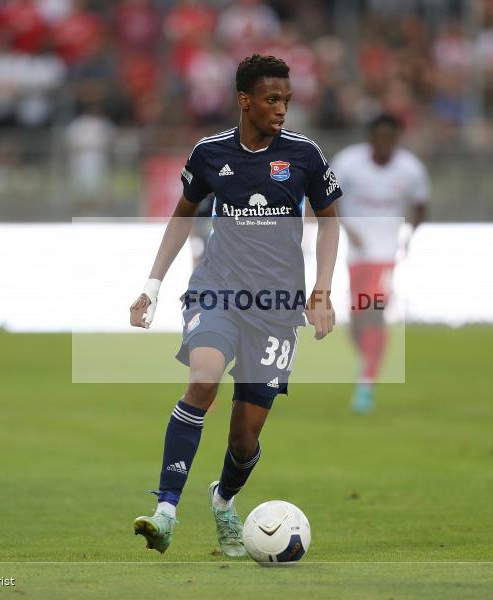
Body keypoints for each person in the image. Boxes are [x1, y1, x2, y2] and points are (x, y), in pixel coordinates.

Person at [128, 54, 341, 557]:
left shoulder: (305, 155)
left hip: (277, 307)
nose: (282, 109)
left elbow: (330, 221)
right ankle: (165, 512)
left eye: (287, 100)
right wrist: (152, 286)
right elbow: (182, 217)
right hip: (217, 290)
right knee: (203, 379)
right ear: (245, 100)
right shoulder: (210, 153)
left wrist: (322, 291)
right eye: (272, 100)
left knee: (245, 439)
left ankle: (223, 500)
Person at [331, 113, 429, 414]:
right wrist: (346, 227)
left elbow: (421, 204)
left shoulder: (410, 168)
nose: (385, 143)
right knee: (357, 322)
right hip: (356, 254)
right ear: (370, 138)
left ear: (397, 139)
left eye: (390, 138)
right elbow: (327, 198)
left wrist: (409, 235)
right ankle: (370, 358)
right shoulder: (348, 163)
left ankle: (366, 384)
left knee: (374, 312)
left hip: (386, 255)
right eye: (380, 137)